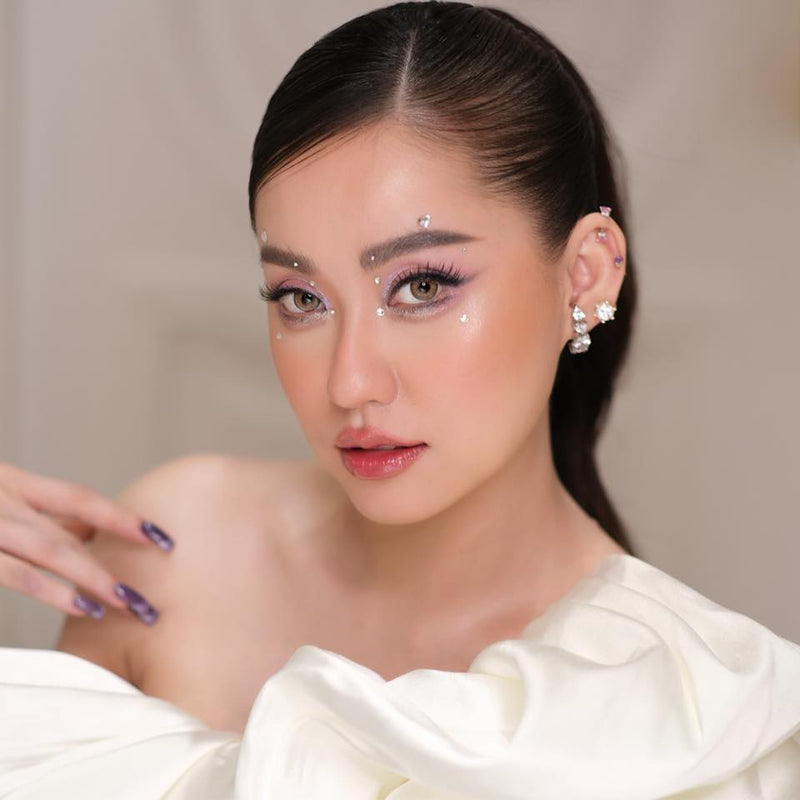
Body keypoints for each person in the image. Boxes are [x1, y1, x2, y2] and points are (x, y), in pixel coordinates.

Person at [2, 2, 799, 797]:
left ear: (585, 274)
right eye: (299, 297)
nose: (350, 381)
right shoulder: (174, 555)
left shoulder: (683, 714)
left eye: (422, 286)